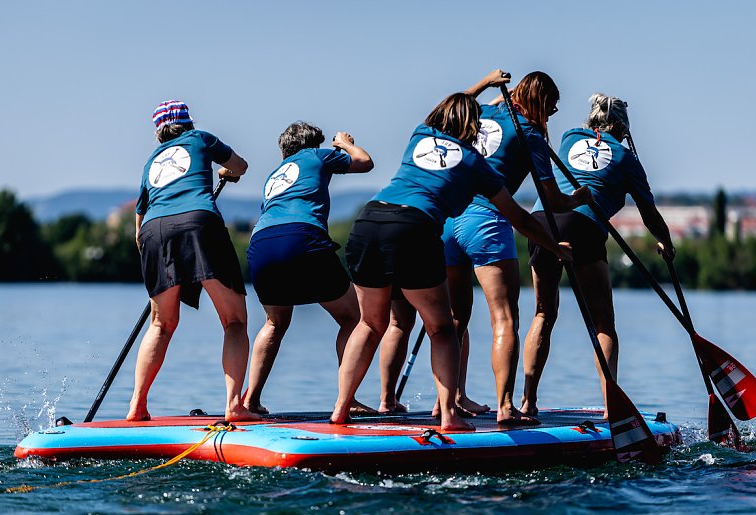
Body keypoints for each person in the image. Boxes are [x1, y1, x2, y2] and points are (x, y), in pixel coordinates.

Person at [330, 71, 571, 431]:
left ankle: (341, 409)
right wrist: (556, 247)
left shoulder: (421, 132)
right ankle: (465, 413)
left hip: (372, 220)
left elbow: (447, 107)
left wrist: (485, 85)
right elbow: (520, 217)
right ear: (472, 126)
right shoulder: (478, 161)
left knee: (371, 323)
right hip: (428, 227)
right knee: (459, 325)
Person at [438, 71, 591, 425]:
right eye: (551, 106)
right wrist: (577, 199)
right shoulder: (531, 135)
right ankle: (506, 408)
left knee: (454, 318)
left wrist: (485, 85)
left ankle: (450, 401)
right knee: (505, 319)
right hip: (487, 222)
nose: (552, 114)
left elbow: (451, 106)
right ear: (539, 101)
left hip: (448, 223)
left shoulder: (484, 114)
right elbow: (551, 200)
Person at [522, 93, 675, 417]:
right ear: (619, 127)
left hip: (541, 222)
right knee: (603, 322)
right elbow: (648, 213)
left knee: (543, 314)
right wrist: (666, 243)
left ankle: (527, 402)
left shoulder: (567, 138)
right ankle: (611, 407)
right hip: (584, 224)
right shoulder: (626, 158)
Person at [128, 100, 259, 422]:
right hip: (198, 222)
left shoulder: (151, 161)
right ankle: (234, 405)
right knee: (234, 322)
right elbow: (240, 165)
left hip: (152, 231)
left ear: (159, 133)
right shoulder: (201, 139)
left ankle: (137, 406)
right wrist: (228, 172)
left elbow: (138, 223)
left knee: (160, 324)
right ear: (187, 122)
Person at [243, 122, 374, 415]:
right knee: (354, 318)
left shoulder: (273, 176)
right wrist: (344, 144)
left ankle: (250, 401)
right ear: (313, 145)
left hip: (261, 242)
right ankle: (347, 400)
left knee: (274, 323)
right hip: (302, 236)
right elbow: (365, 162)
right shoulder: (315, 155)